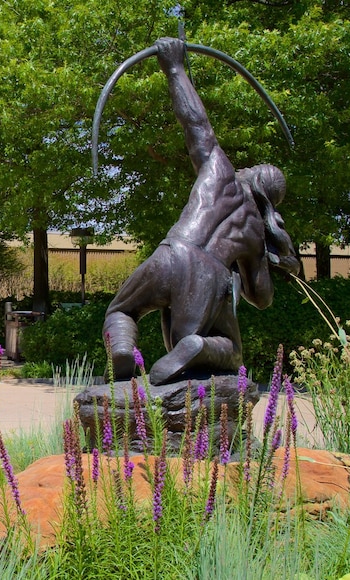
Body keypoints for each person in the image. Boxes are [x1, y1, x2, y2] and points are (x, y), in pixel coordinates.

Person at [104, 37, 300, 384]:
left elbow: (195, 124)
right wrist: (273, 257)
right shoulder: (254, 232)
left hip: (171, 253)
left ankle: (122, 349)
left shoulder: (220, 171)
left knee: (122, 310)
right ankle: (197, 345)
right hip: (208, 277)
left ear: (250, 175)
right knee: (233, 351)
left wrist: (174, 67)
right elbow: (262, 297)